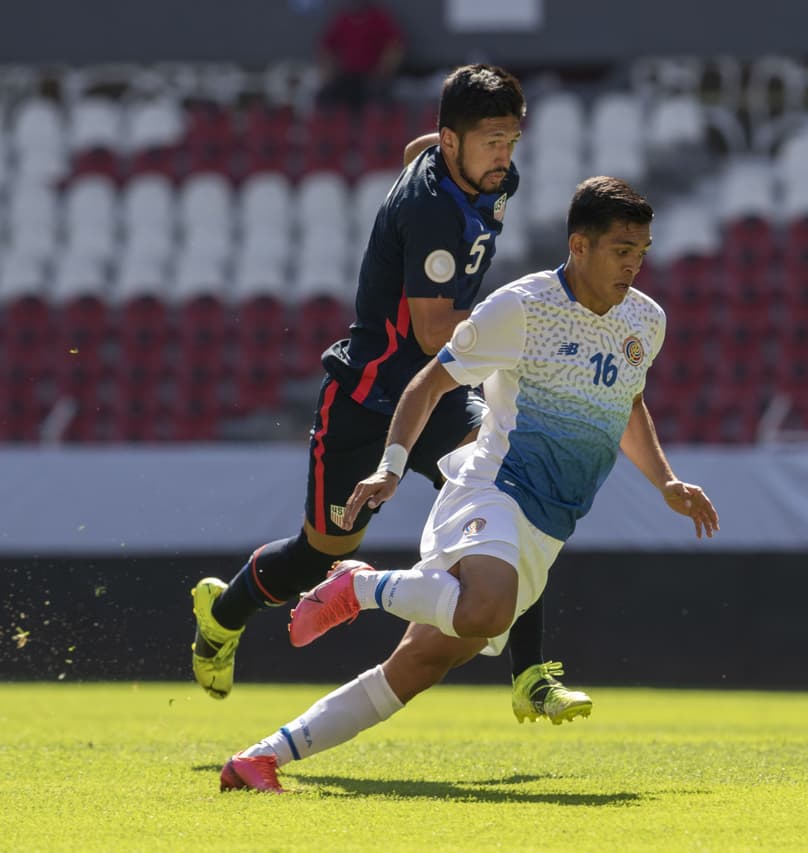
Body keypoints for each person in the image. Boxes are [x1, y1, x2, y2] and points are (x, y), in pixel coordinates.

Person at [217, 177, 719, 792]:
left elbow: (628, 401)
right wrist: (392, 466)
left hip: (548, 527)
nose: (634, 265)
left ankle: (260, 758)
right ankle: (359, 585)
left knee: (418, 665)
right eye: (621, 249)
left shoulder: (646, 319)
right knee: (484, 610)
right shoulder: (521, 308)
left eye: (642, 250)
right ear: (579, 246)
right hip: (492, 488)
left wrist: (665, 481)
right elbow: (430, 383)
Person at [191, 64, 591, 725]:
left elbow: (417, 153)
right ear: (453, 139)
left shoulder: (485, 172)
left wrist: (447, 152)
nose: (505, 155)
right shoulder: (431, 210)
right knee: (321, 553)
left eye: (511, 139)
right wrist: (531, 327)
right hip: (367, 397)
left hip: (435, 398)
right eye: (491, 139)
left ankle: (532, 678)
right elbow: (435, 330)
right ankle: (222, 614)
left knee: (508, 501)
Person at [315, 0, 404, 111]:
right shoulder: (342, 19)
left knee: (381, 100)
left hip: (372, 77)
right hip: (346, 77)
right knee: (324, 97)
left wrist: (383, 72)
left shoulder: (379, 18)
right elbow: (326, 48)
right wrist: (329, 72)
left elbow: (394, 47)